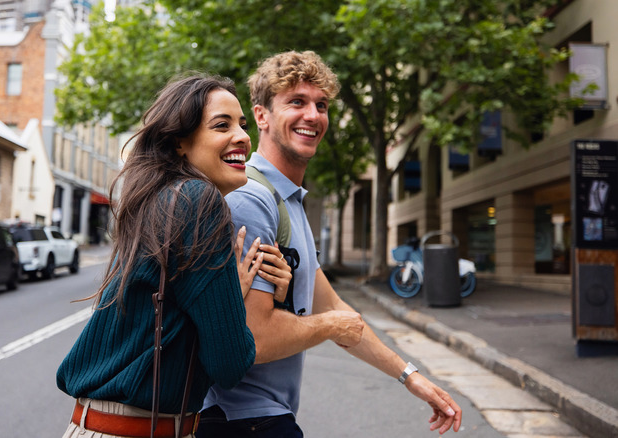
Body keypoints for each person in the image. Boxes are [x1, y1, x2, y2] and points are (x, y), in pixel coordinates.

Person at [197, 51, 463, 437]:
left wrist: (411, 376)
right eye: (296, 102)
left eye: (321, 105)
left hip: (261, 418)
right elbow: (252, 336)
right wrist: (329, 326)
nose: (313, 115)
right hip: (242, 420)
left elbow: (333, 305)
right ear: (261, 116)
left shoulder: (286, 201)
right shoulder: (252, 198)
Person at [56, 74, 292, 438]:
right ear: (180, 142)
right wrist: (236, 298)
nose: (243, 137)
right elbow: (230, 363)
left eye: (243, 125)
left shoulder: (162, 200)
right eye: (221, 125)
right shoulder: (199, 200)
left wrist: (226, 288)